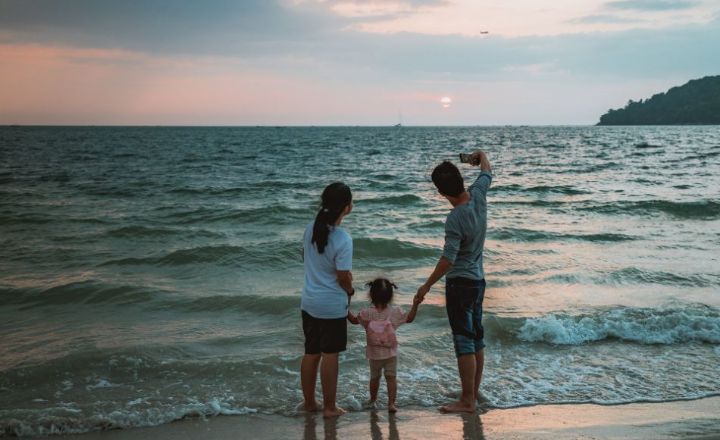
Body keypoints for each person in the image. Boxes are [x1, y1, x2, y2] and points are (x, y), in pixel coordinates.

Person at [414, 151, 492, 413]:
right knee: (476, 338)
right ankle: (472, 392)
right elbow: (486, 167)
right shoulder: (479, 194)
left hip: (460, 283)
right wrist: (474, 156)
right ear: (460, 179)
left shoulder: (455, 218)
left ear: (440, 192)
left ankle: (467, 400)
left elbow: (448, 258)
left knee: (464, 341)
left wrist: (426, 286)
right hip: (479, 281)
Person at [300, 182, 354, 418]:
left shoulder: (310, 228)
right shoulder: (343, 238)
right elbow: (343, 277)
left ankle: (310, 402)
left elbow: (307, 258)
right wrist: (350, 290)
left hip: (309, 302)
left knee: (311, 353)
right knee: (330, 355)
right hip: (331, 306)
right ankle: (330, 408)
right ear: (347, 207)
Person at [347, 278, 420, 413]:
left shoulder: (367, 313)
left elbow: (353, 320)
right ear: (390, 296)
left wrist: (345, 303)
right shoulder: (395, 312)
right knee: (391, 378)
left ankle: (372, 400)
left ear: (371, 295)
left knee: (374, 378)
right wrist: (415, 304)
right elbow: (409, 318)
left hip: (374, 355)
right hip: (390, 353)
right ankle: (391, 404)